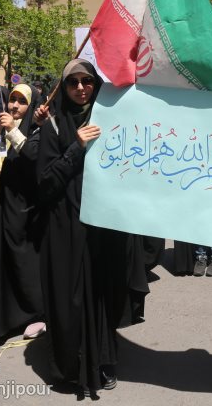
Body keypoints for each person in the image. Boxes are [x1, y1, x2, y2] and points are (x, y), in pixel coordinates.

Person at [36, 59, 129, 396]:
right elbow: (45, 184)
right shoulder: (54, 126)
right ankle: (71, 366)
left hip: (103, 230)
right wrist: (76, 147)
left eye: (87, 81)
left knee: (103, 296)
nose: (80, 88)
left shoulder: (111, 121)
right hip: (66, 231)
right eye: (72, 82)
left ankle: (103, 360)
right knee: (70, 300)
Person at [0, 84, 48, 342]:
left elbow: (36, 158)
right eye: (12, 99)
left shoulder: (38, 129)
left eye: (21, 101)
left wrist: (13, 131)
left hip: (25, 211)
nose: (14, 106)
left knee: (24, 264)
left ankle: (36, 314)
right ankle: (1, 315)